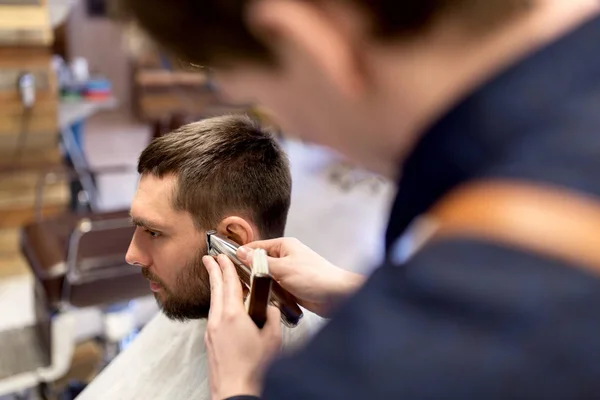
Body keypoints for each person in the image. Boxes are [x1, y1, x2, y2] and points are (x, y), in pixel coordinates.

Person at [117, 0, 600, 398]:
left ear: (305, 40)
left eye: (262, 97)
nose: (301, 132)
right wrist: (349, 291)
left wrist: (240, 386)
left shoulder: (419, 348)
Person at [75, 115, 322, 400]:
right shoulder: (194, 299)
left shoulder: (317, 379)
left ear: (233, 239)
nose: (132, 255)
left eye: (153, 232)